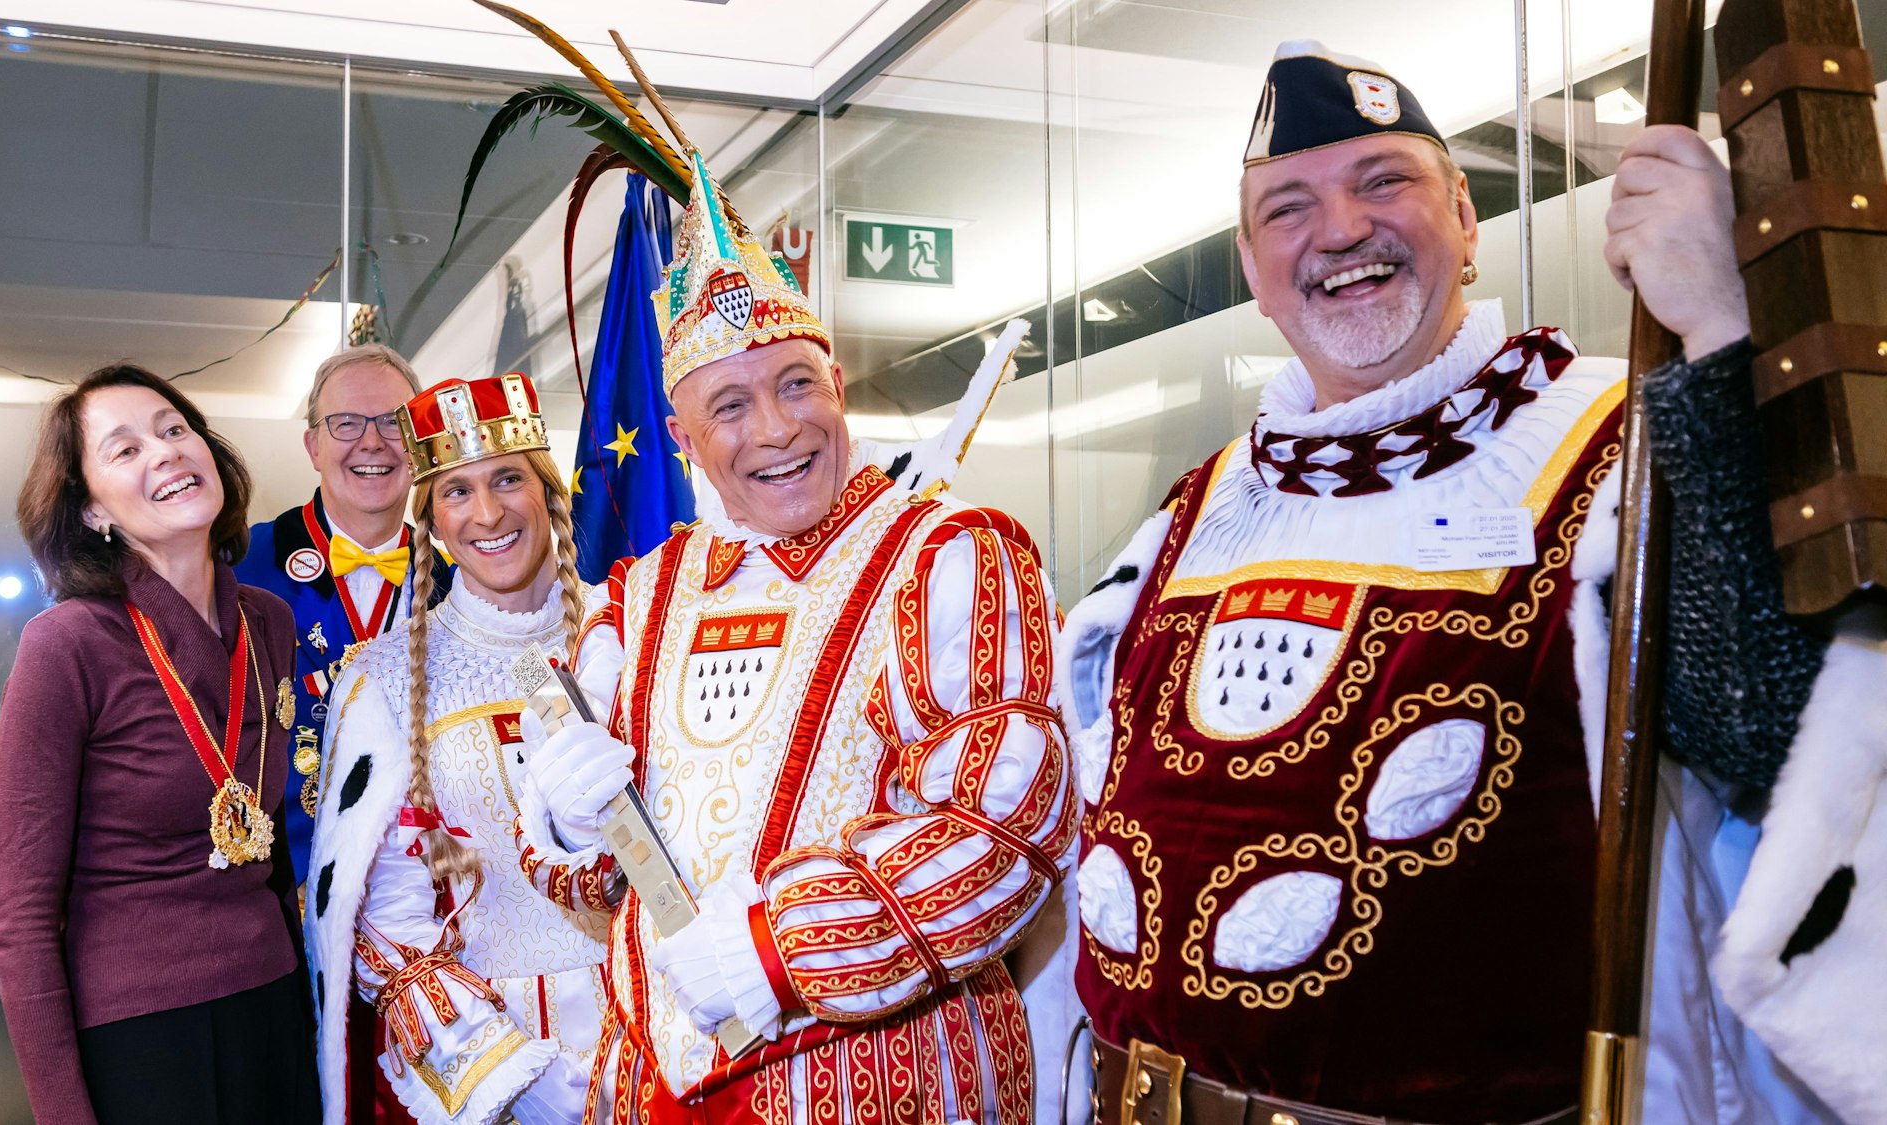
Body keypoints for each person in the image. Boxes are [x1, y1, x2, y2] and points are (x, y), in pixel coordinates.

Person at [1053, 41, 1847, 1125]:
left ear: (1465, 216)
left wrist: (1718, 337)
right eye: (1286, 207)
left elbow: (1775, 745)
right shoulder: (1194, 510)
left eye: (1383, 182)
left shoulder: (1628, 448)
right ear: (1250, 269)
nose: (1337, 230)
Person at [522, 147, 1076, 1124]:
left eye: (793, 384)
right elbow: (599, 881)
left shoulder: (947, 557)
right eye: (729, 405)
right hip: (651, 1086)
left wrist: (773, 951)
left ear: (837, 384)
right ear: (679, 436)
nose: (775, 429)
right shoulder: (635, 598)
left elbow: (1002, 826)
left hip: (883, 1085)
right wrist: (570, 821)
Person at [0, 363, 317, 1124]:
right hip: (141, 1031)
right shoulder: (65, 643)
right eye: (124, 449)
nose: (166, 451)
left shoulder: (269, 622)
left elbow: (269, 857)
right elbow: (20, 917)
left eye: (174, 429)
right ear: (92, 509)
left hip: (270, 1002)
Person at [304, 372, 606, 1125]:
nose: (489, 511)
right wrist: (507, 1076)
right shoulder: (383, 678)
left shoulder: (628, 635)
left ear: (548, 492)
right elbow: (374, 914)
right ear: (431, 520)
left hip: (653, 1039)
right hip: (487, 1069)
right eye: (457, 492)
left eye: (508, 479)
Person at [235, 342, 451, 888]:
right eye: (346, 423)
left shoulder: (457, 582)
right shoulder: (238, 569)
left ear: (422, 441)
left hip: (425, 895)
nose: (372, 441)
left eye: (393, 422)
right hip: (278, 891)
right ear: (312, 445)